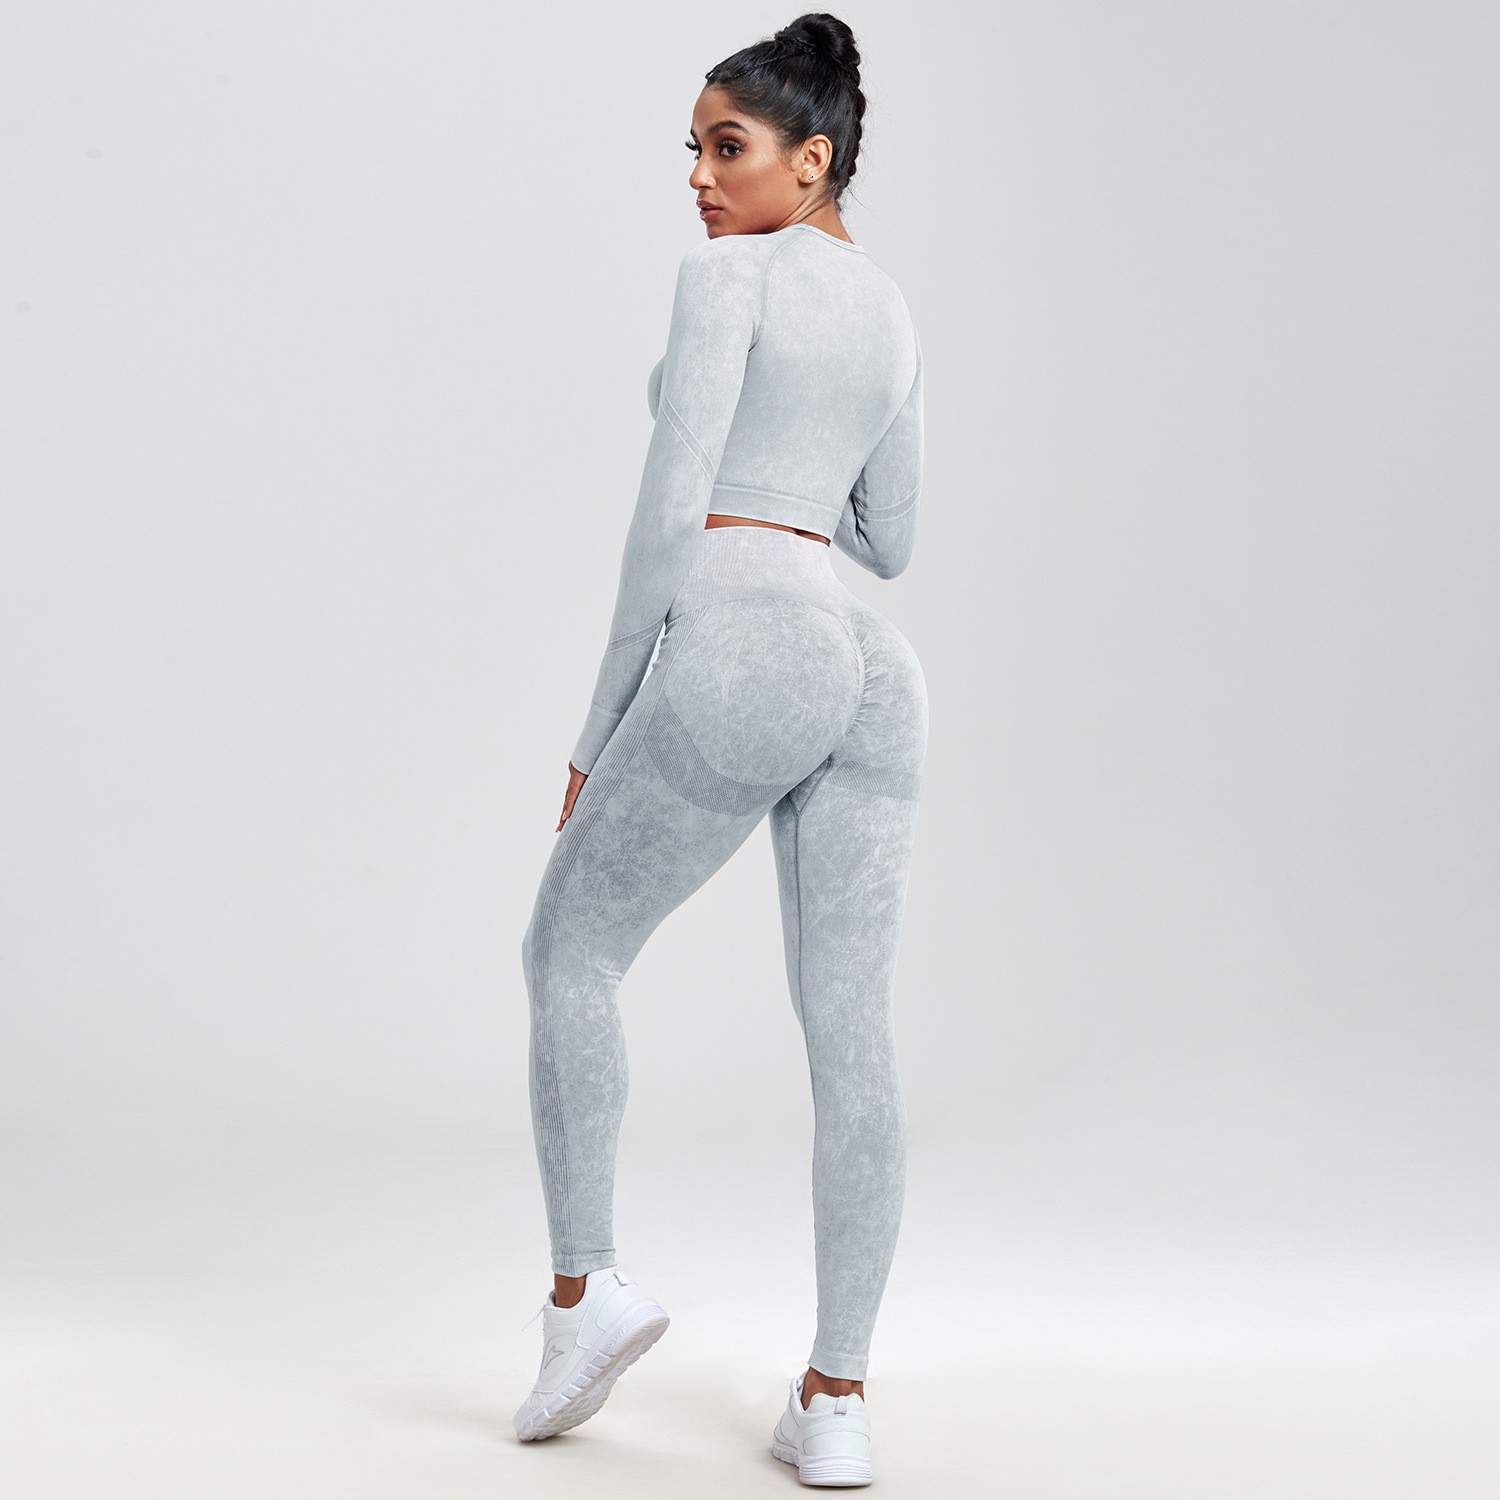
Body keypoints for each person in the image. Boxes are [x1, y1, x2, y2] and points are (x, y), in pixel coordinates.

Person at [512, 14, 925, 1486]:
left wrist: (598, 724)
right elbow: (892, 539)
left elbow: (665, 520)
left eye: (727, 147)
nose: (697, 175)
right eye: (691, 149)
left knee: (567, 953)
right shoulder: (892, 312)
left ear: (812, 161)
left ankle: (584, 1297)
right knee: (852, 1035)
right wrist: (798, 470)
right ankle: (837, 1397)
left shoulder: (724, 278)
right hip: (868, 668)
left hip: (743, 639)